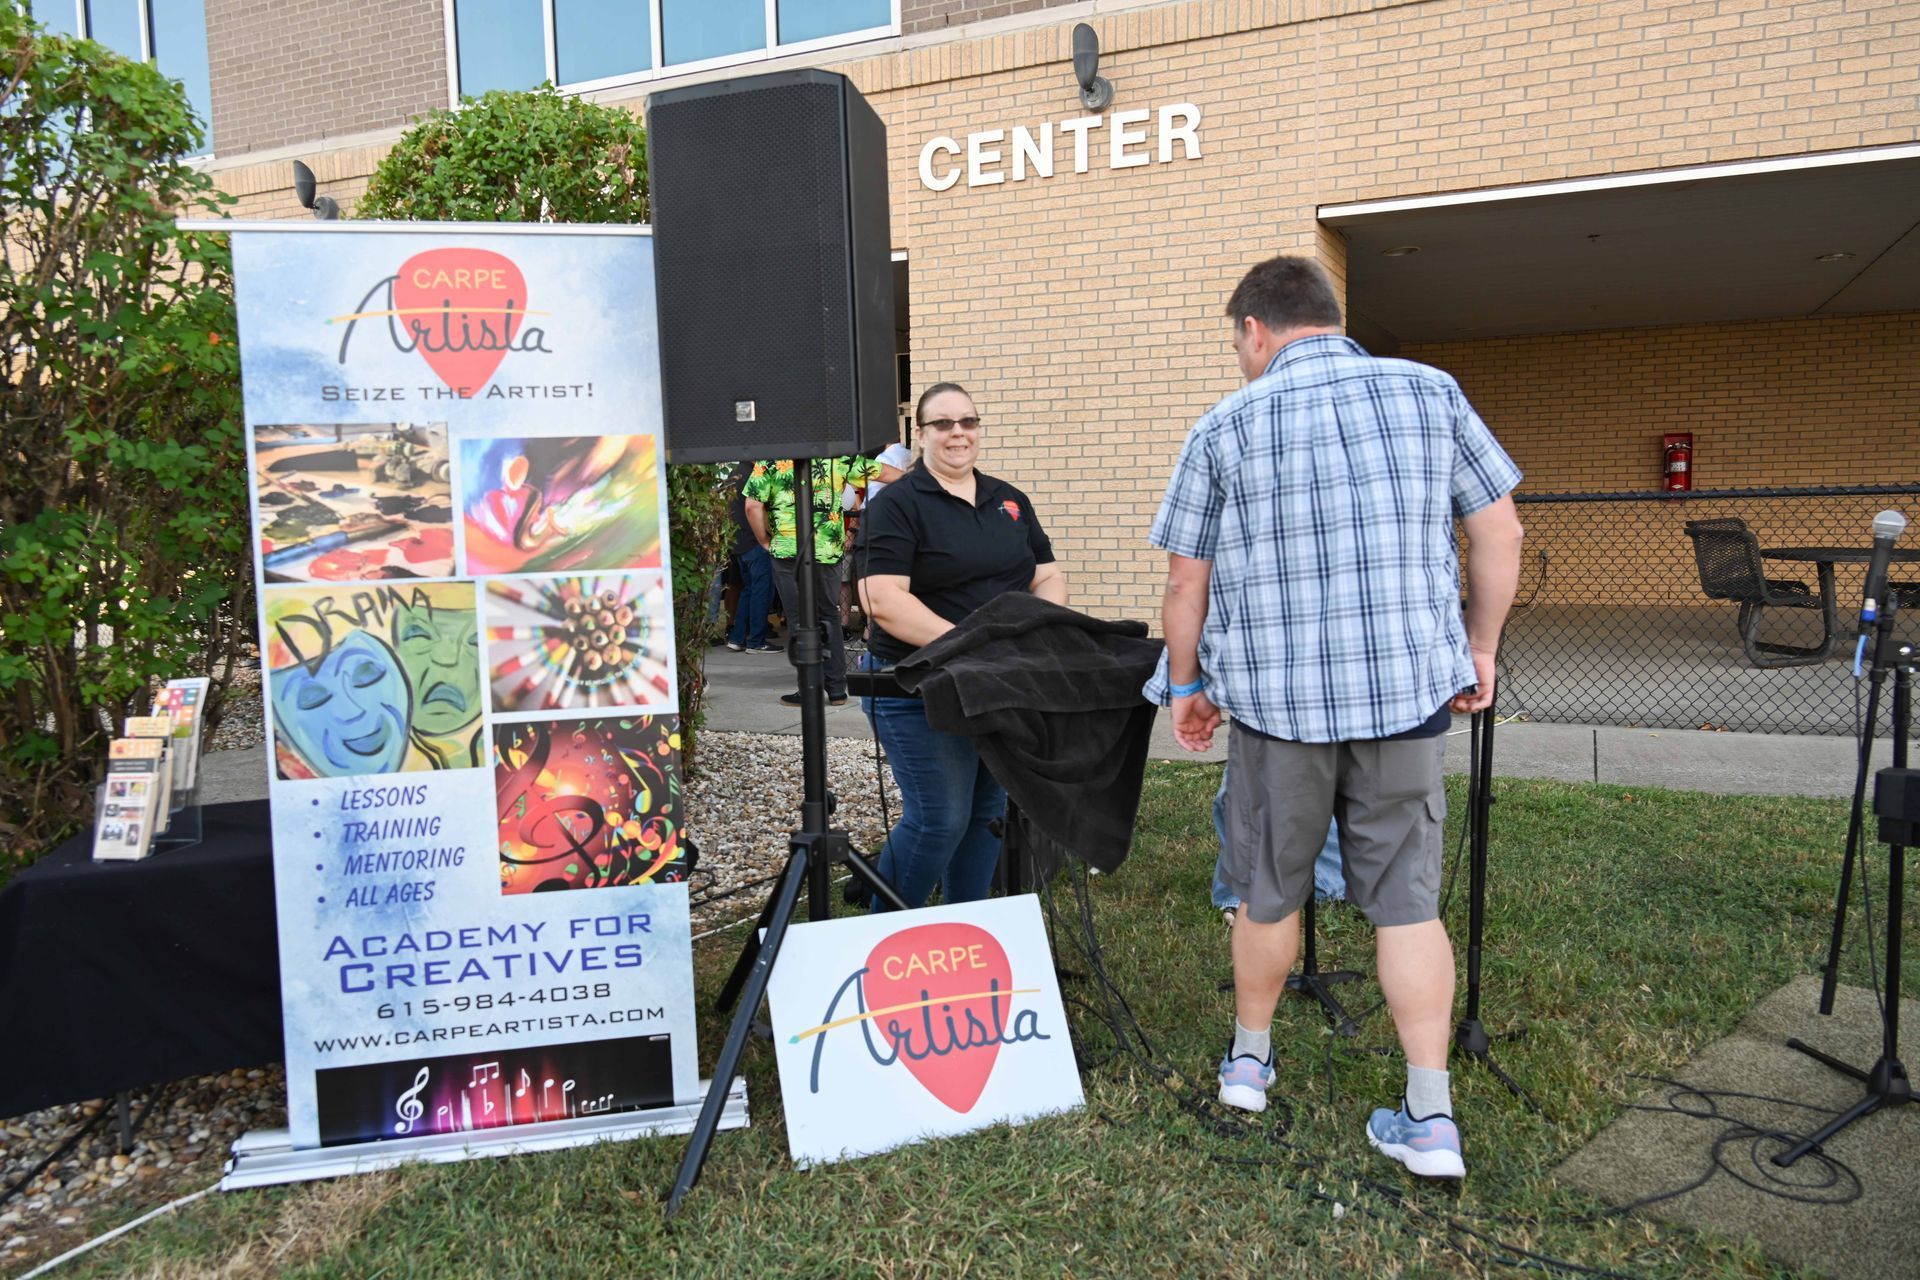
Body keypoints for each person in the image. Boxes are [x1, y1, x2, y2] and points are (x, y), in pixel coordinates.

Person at [1146, 256, 1523, 1179]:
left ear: (1255, 331)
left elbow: (1185, 579)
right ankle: (1430, 1114)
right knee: (1405, 903)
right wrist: (1480, 650)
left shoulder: (1224, 424)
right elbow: (1499, 532)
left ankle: (1248, 1062)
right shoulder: (1431, 392)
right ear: (1329, 316)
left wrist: (1186, 685)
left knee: (1268, 888)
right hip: (1405, 699)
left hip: (1277, 711)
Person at [857, 383, 1066, 907]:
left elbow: (1047, 575)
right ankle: (885, 933)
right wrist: (975, 645)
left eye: (967, 422)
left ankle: (969, 933)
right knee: (938, 820)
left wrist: (1034, 631)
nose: (958, 433)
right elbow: (883, 600)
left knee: (985, 816)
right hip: (914, 684)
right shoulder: (898, 504)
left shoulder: (1009, 499)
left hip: (994, 682)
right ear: (920, 434)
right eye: (943, 424)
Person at [743, 454, 878, 705]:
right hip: (827, 550)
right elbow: (883, 474)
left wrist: (764, 540)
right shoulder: (837, 457)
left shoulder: (771, 461)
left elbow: (752, 506)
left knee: (798, 618)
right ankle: (837, 689)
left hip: (787, 550)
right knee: (829, 614)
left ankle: (809, 689)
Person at [723, 460, 778, 654]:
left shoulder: (736, 473)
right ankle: (756, 640)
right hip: (754, 541)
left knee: (748, 590)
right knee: (762, 591)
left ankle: (738, 637)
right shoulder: (754, 473)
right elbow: (756, 507)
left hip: (738, 543)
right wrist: (765, 538)